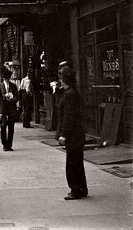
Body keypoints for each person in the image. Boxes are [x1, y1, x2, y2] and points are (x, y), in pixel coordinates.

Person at [56, 66, 88, 200]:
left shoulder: (69, 94)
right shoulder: (71, 92)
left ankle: (75, 189)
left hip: (73, 135)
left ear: (64, 80)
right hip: (77, 133)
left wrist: (63, 134)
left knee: (72, 163)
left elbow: (68, 116)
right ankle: (81, 188)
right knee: (77, 162)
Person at [0, 69, 19, 151]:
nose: (7, 80)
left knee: (11, 127)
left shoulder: (13, 86)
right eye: (5, 79)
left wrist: (12, 99)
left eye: (8, 78)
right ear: (3, 78)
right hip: (3, 109)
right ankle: (4, 144)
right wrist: (4, 97)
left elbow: (17, 97)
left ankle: (9, 145)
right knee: (3, 126)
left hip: (11, 109)